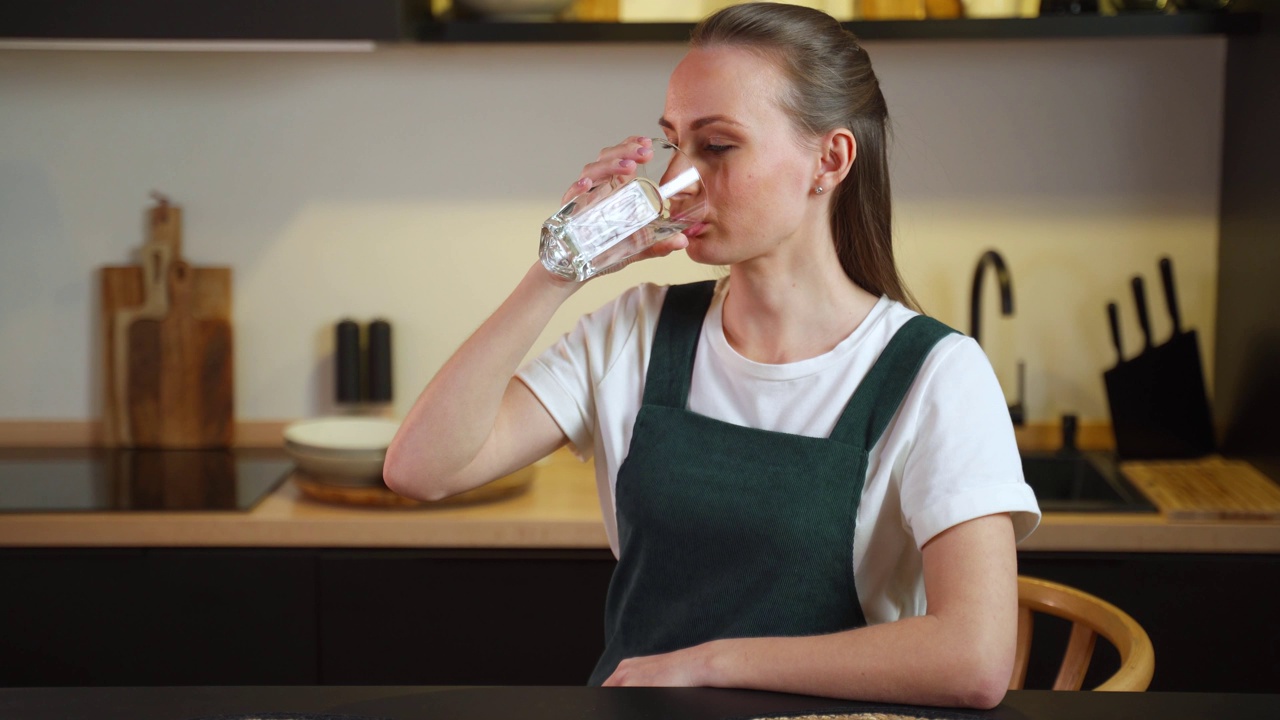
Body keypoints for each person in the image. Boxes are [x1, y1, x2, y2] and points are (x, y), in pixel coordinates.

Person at [385, 1, 1040, 709]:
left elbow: (972, 659)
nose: (679, 182)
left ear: (831, 159)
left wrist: (709, 664)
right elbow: (421, 470)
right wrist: (556, 271)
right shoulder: (637, 331)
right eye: (674, 145)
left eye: (717, 147)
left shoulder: (937, 374)